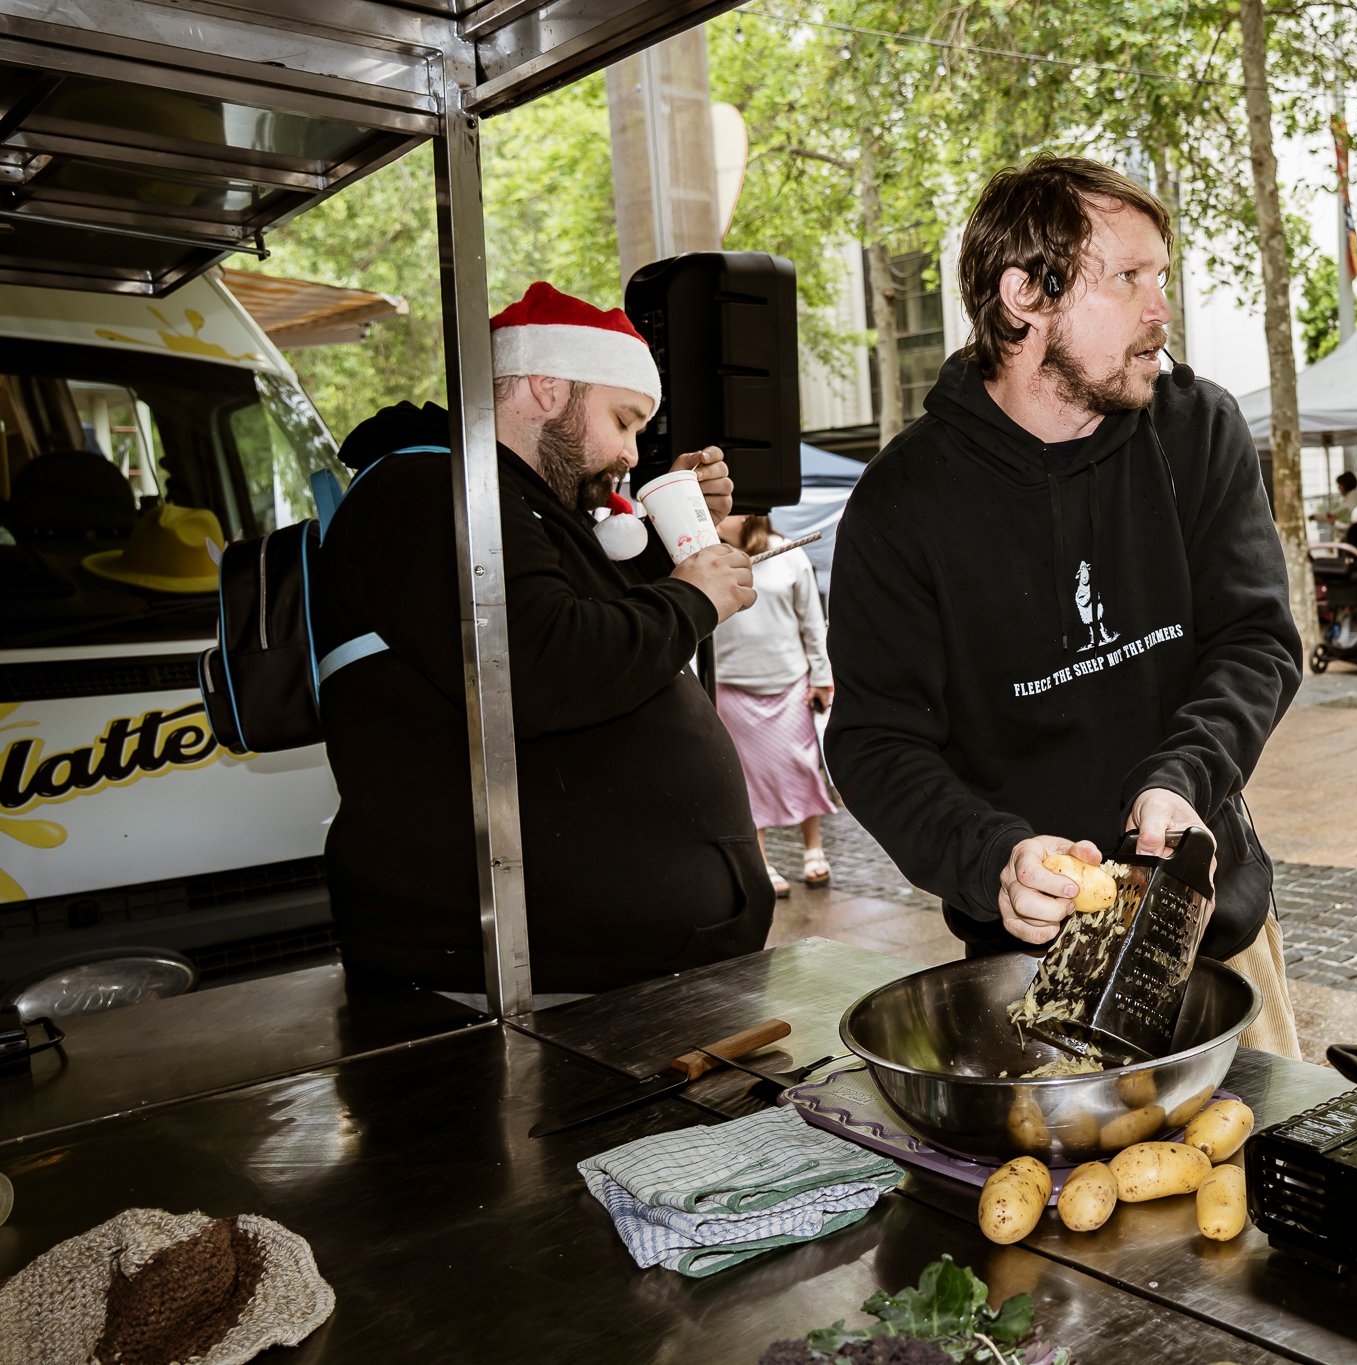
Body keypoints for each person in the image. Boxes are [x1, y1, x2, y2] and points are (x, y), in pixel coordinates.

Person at [825, 155, 1305, 1057]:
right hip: (1026, 964)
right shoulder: (903, 502)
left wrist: (1183, 775)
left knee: (1261, 1179)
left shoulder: (1197, 428)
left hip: (1218, 936)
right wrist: (990, 856)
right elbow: (874, 740)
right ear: (1024, 295)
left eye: (1160, 276)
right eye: (1128, 278)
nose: (1161, 308)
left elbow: (1257, 640)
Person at [315, 281, 772, 993]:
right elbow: (539, 663)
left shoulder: (505, 502)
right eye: (624, 421)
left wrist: (671, 546)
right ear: (547, 385)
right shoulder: (429, 495)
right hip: (505, 982)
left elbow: (594, 628)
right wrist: (691, 597)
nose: (630, 453)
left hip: (584, 975)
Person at [713, 513, 836, 897]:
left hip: (789, 683)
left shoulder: (789, 554)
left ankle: (813, 848)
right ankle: (761, 860)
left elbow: (812, 624)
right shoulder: (708, 560)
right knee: (746, 778)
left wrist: (822, 677)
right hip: (730, 686)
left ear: (751, 514)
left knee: (802, 767)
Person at [1315, 469, 1357, 538]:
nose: (1338, 488)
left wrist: (1334, 522)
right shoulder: (1354, 498)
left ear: (1345, 486)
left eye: (1340, 485)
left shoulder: (1350, 503)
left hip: (1350, 538)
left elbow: (1333, 516)